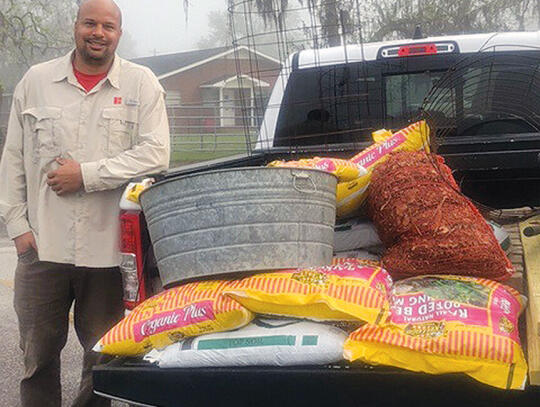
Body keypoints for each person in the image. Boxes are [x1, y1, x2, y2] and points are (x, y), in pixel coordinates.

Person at [0, 0, 170, 405]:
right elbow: (12, 158)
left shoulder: (141, 84)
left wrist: (87, 175)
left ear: (119, 34)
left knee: (103, 358)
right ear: (75, 27)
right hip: (43, 246)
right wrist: (17, 227)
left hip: (108, 250)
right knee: (37, 358)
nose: (98, 32)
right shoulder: (37, 81)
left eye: (107, 26)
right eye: (90, 23)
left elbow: (156, 153)